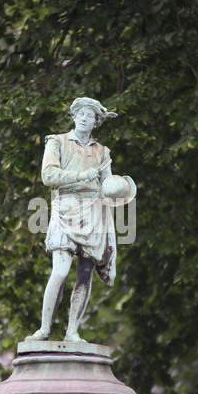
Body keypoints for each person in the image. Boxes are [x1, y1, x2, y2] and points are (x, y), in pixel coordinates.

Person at [28, 97, 130, 342]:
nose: (85, 119)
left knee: (85, 274)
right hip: (66, 209)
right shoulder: (57, 142)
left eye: (91, 116)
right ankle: (44, 329)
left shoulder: (103, 152)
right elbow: (48, 175)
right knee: (60, 271)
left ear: (96, 122)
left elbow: (108, 186)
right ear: (74, 116)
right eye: (81, 114)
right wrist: (81, 176)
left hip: (95, 212)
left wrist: (118, 188)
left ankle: (72, 330)